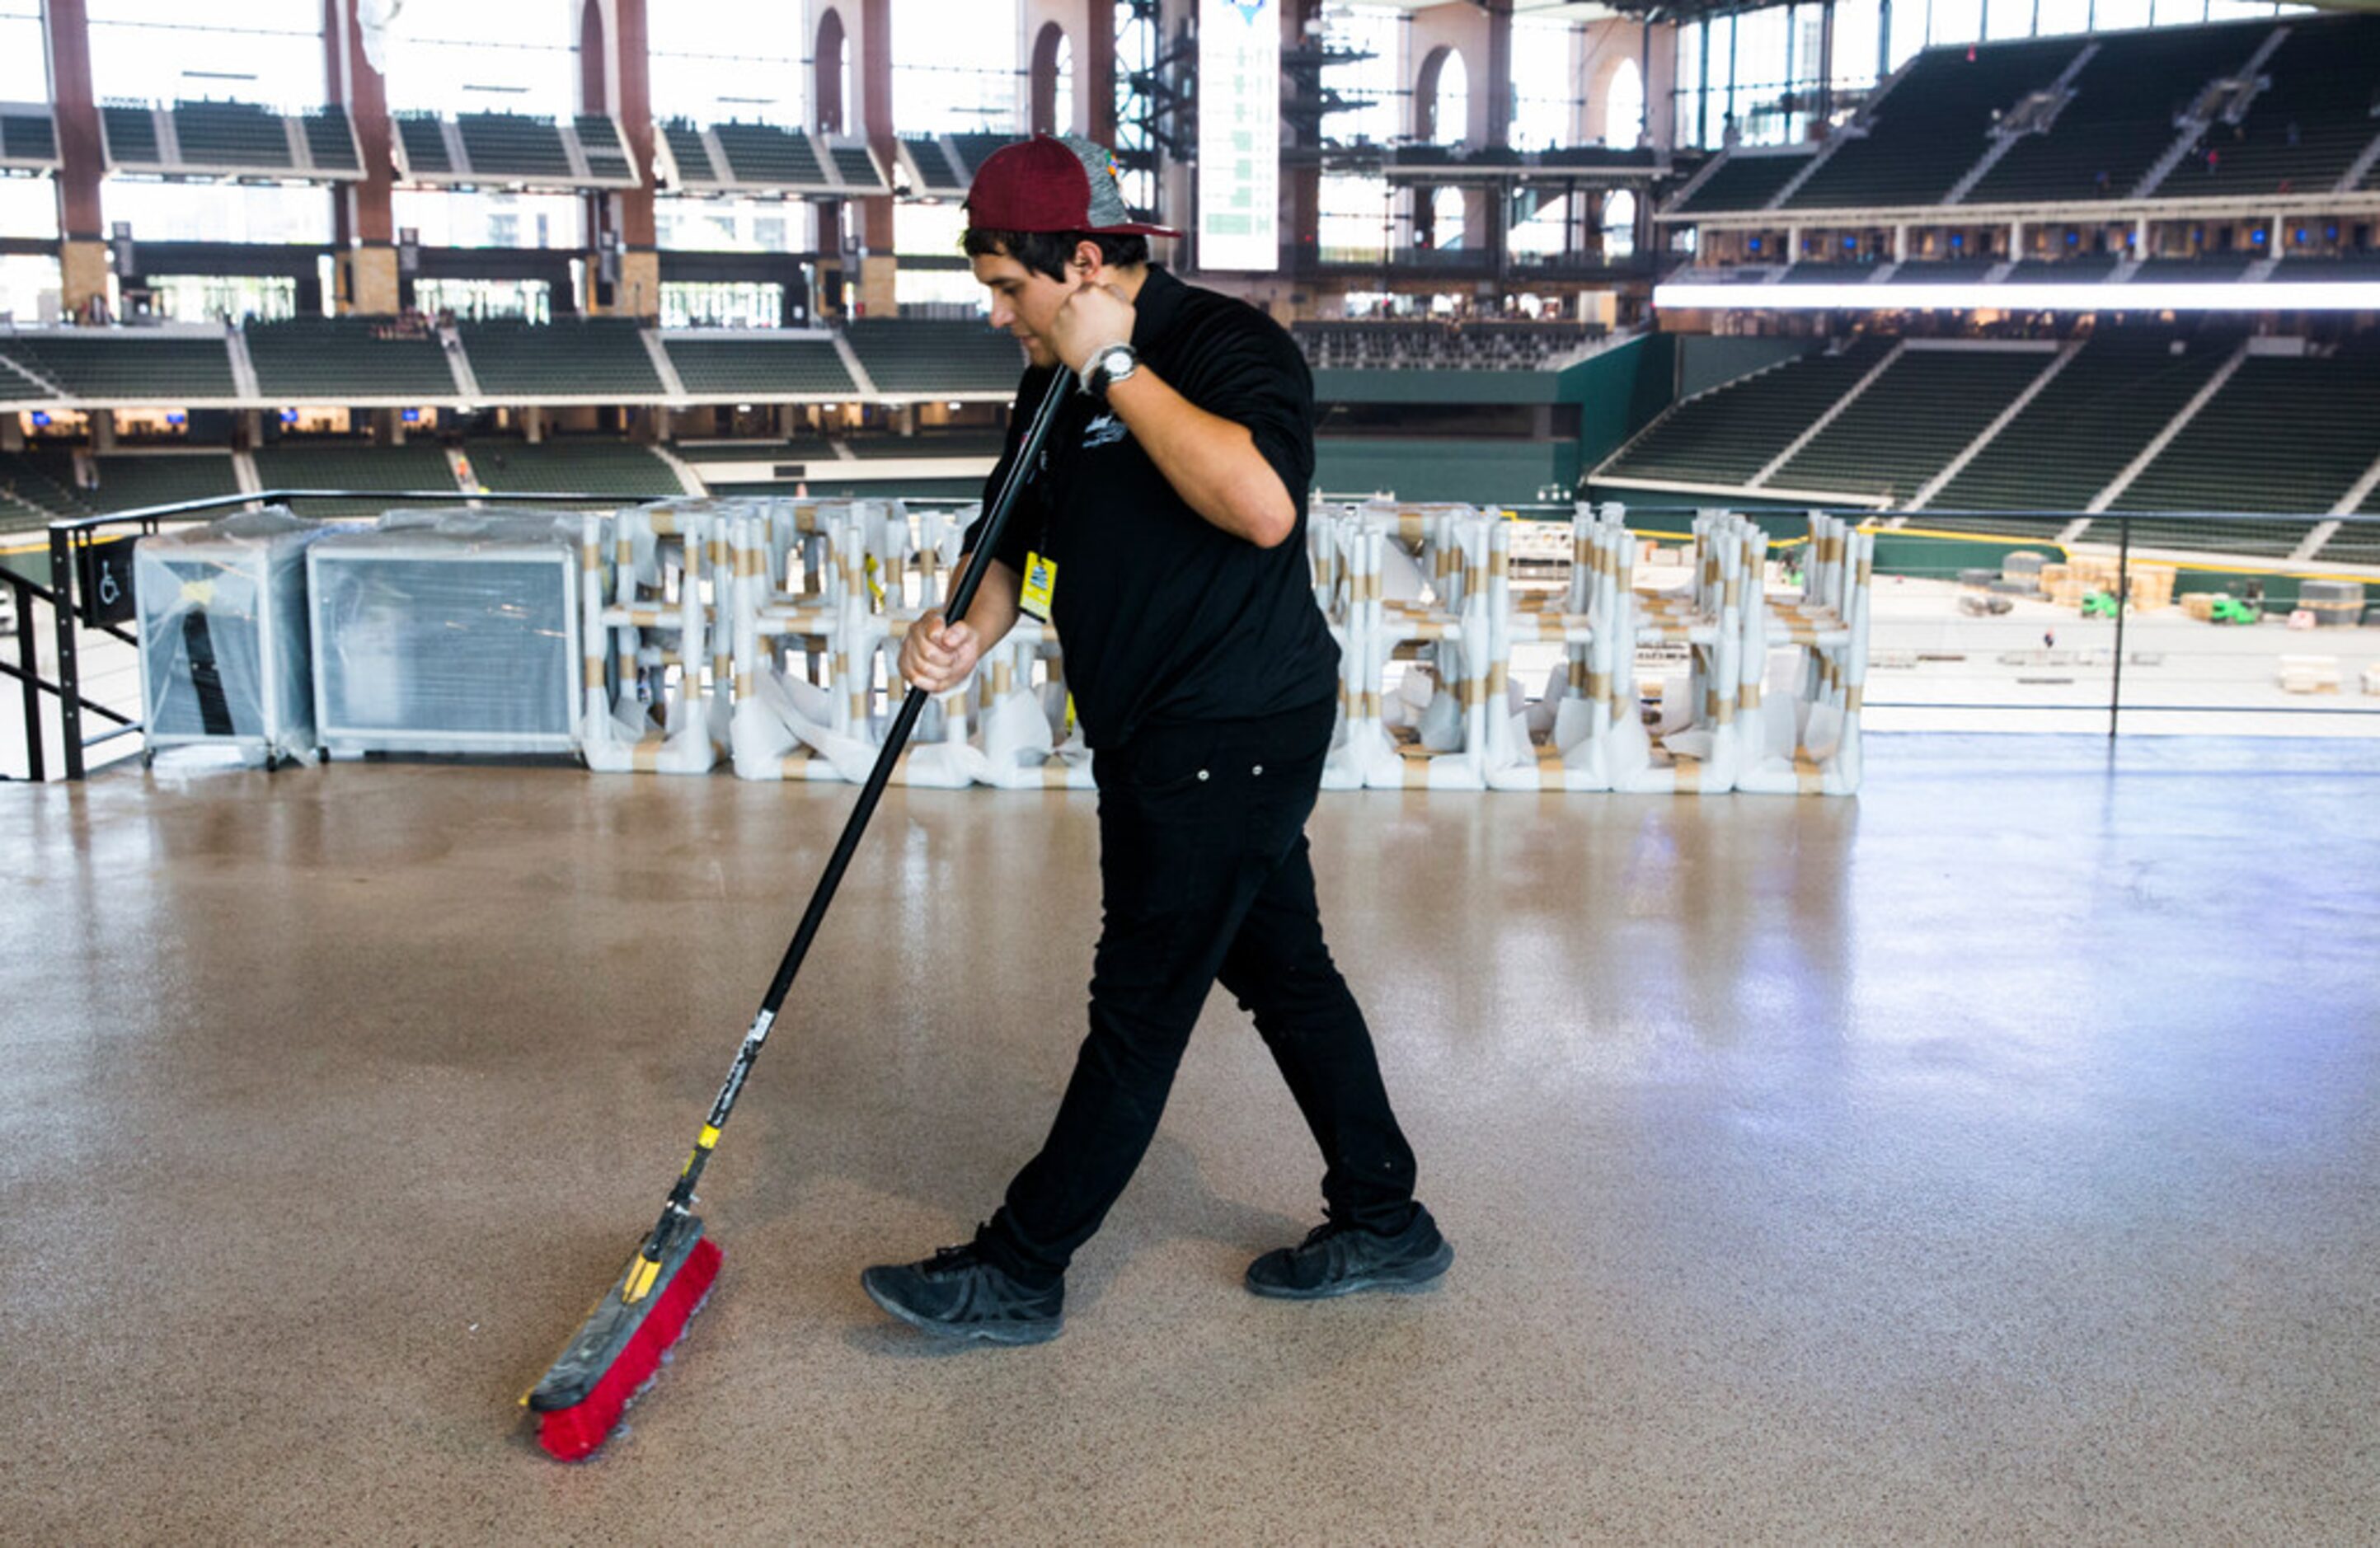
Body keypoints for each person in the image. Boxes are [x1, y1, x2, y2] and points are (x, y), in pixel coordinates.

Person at [862, 134, 1450, 1344]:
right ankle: (1386, 1216)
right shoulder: (1047, 383)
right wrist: (961, 632)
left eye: (1008, 289)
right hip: (1149, 733)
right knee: (1285, 970)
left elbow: (1261, 505)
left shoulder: (1223, 347)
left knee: (1139, 1000)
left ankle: (1022, 1266)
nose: (996, 315)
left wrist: (1115, 364)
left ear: (1081, 263)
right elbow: (1010, 551)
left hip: (1230, 726)